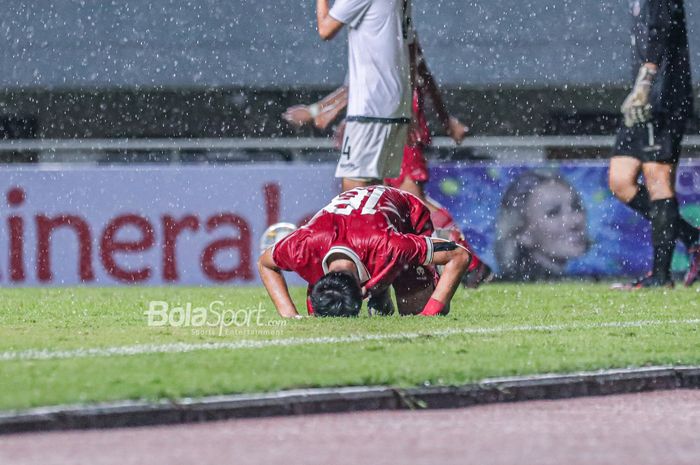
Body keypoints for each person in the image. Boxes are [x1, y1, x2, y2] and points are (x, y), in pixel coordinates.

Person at [282, 36, 492, 287]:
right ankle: (450, 265)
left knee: (402, 201)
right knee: (390, 200)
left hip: (391, 121)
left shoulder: (379, 23)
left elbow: (375, 80)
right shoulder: (395, 24)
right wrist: (445, 120)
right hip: (391, 117)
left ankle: (463, 262)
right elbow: (417, 74)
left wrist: (322, 109)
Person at [258, 186, 472, 318]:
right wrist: (290, 316)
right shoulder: (303, 246)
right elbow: (265, 263)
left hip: (407, 215)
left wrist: (430, 313)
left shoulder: (390, 246)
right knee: (325, 315)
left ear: (362, 291)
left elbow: (459, 256)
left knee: (415, 310)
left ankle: (437, 244)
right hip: (362, 231)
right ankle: (380, 292)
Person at [608, 0, 700, 288]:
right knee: (620, 181)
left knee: (658, 178)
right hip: (645, 95)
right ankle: (693, 238)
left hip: (664, 97)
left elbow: (660, 31)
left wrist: (646, 81)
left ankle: (660, 278)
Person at [315, 0, 412, 193]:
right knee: (375, 197)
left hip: (370, 108)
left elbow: (325, 29)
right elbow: (412, 47)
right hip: (396, 105)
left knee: (353, 197)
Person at [495, 171, 589, 281]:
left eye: (576, 207)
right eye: (553, 213)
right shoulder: (519, 286)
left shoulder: (581, 278)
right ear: (523, 233)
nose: (575, 221)